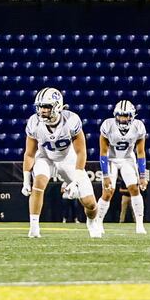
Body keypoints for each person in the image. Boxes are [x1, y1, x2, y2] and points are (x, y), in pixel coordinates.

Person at [23, 87, 102, 239]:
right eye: (40, 107)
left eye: (46, 106)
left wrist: (76, 180)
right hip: (45, 156)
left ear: (57, 106)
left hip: (68, 158)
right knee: (38, 182)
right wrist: (26, 180)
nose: (42, 111)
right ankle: (34, 228)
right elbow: (29, 153)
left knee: (90, 204)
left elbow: (81, 152)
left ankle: (92, 222)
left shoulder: (71, 120)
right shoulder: (34, 122)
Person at [94, 99, 149, 235]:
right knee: (108, 192)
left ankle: (140, 224)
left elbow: (141, 152)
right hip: (111, 159)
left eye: (126, 116)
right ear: (115, 115)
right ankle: (98, 222)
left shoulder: (138, 127)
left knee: (134, 189)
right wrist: (106, 175)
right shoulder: (108, 125)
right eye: (120, 115)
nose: (123, 119)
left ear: (132, 116)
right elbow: (103, 153)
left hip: (127, 159)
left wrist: (142, 175)